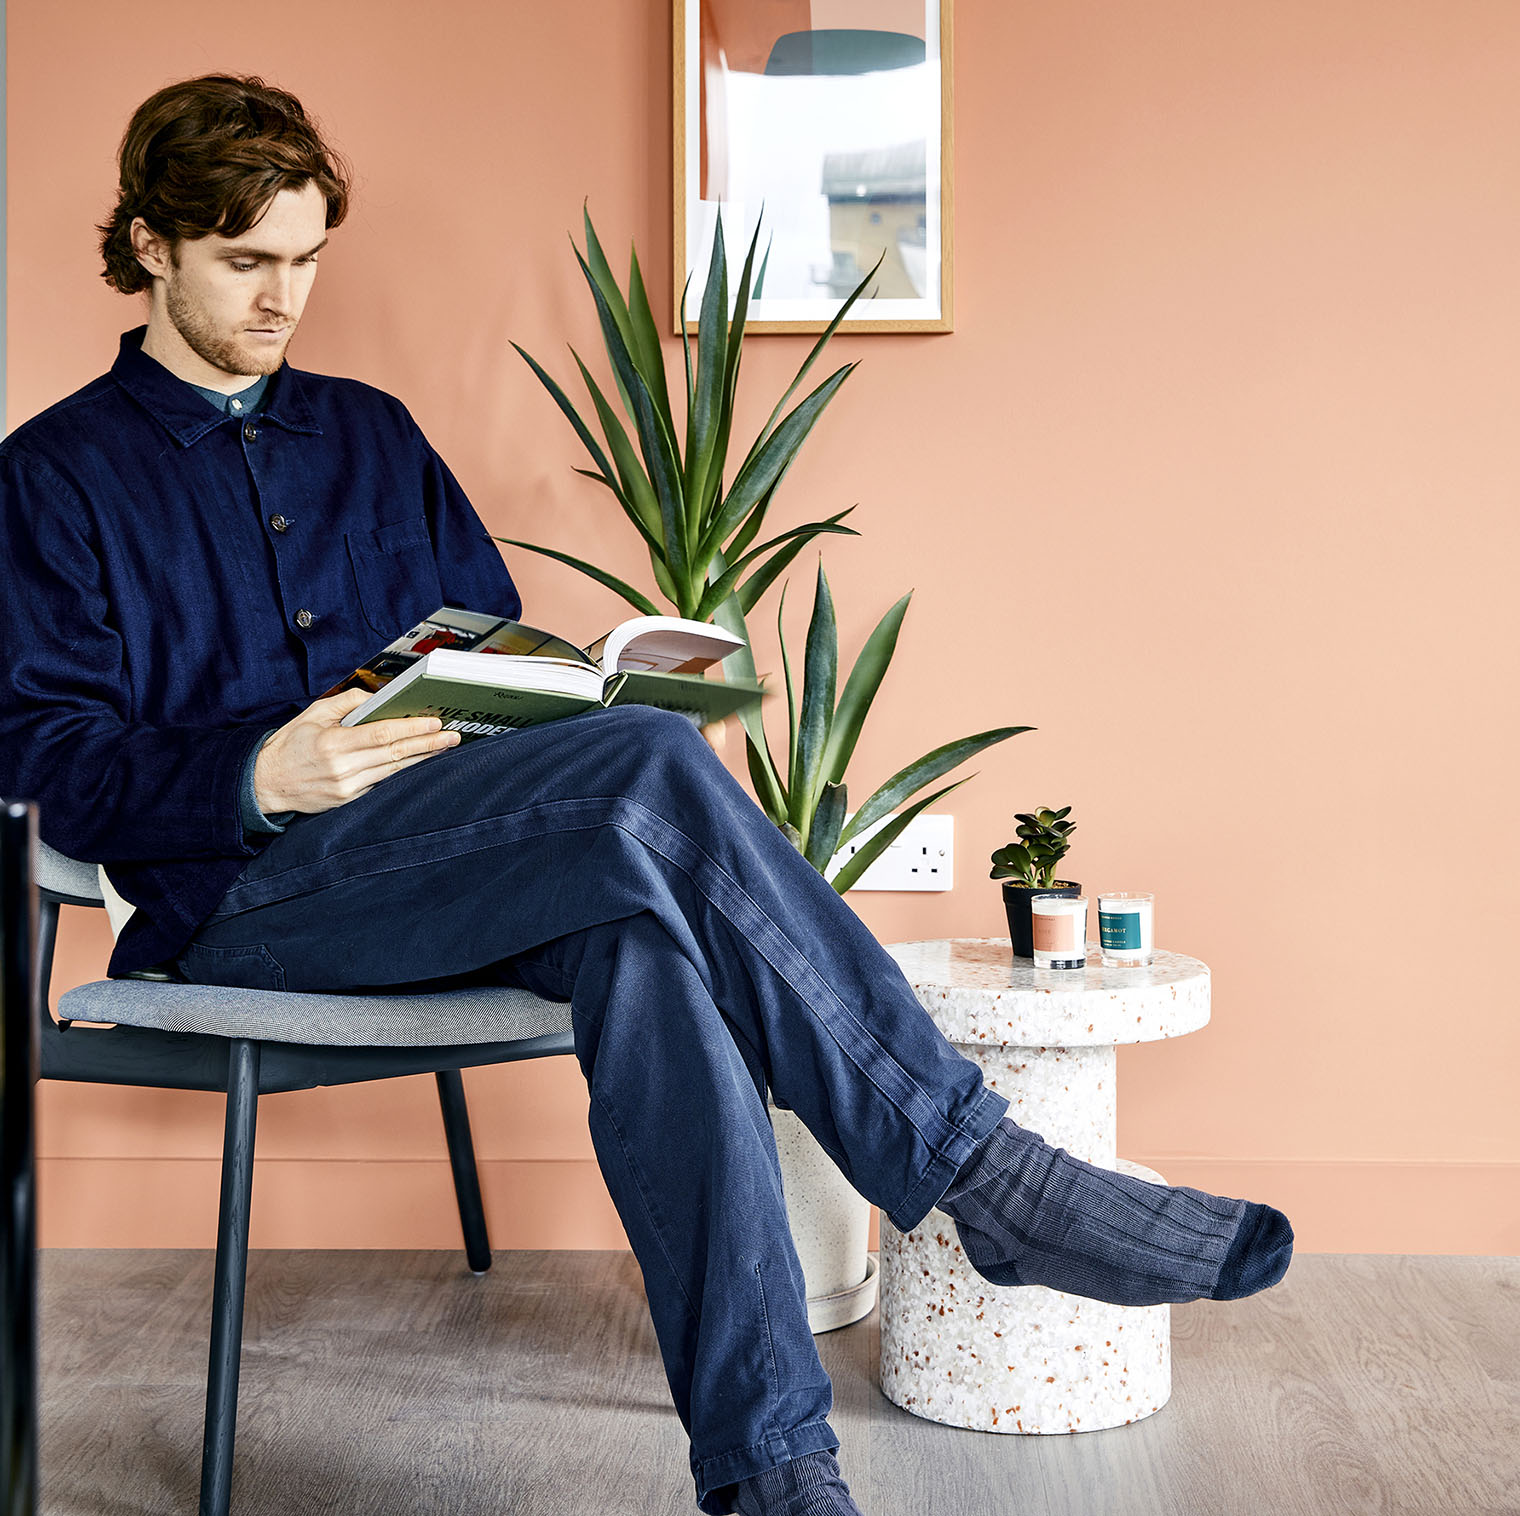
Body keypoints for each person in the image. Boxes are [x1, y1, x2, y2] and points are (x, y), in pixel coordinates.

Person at [0, 76, 1292, 1516]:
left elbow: (485, 651)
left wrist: (545, 694)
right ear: (151, 245)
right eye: (245, 262)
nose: (282, 298)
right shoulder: (50, 479)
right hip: (241, 901)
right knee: (650, 776)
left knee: (646, 949)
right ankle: (989, 1181)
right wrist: (256, 773)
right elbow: (40, 761)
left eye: (305, 259)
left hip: (447, 862)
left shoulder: (372, 434)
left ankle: (775, 1479)